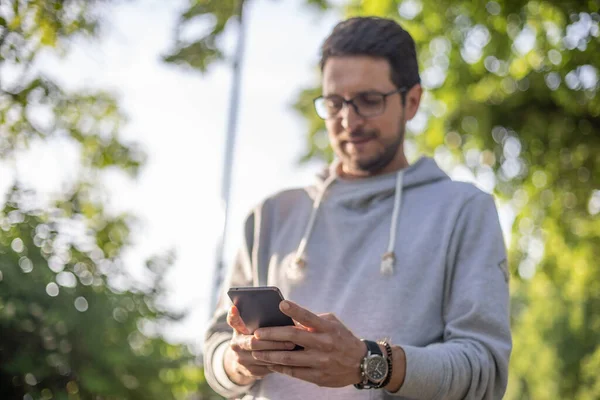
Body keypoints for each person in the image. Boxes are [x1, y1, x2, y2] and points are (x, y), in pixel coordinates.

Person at [204, 16, 512, 400]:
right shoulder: (269, 217)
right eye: (334, 103)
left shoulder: (465, 211)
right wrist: (237, 363)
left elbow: (485, 371)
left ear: (412, 101)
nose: (349, 120)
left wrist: (368, 363)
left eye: (369, 101)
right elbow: (217, 348)